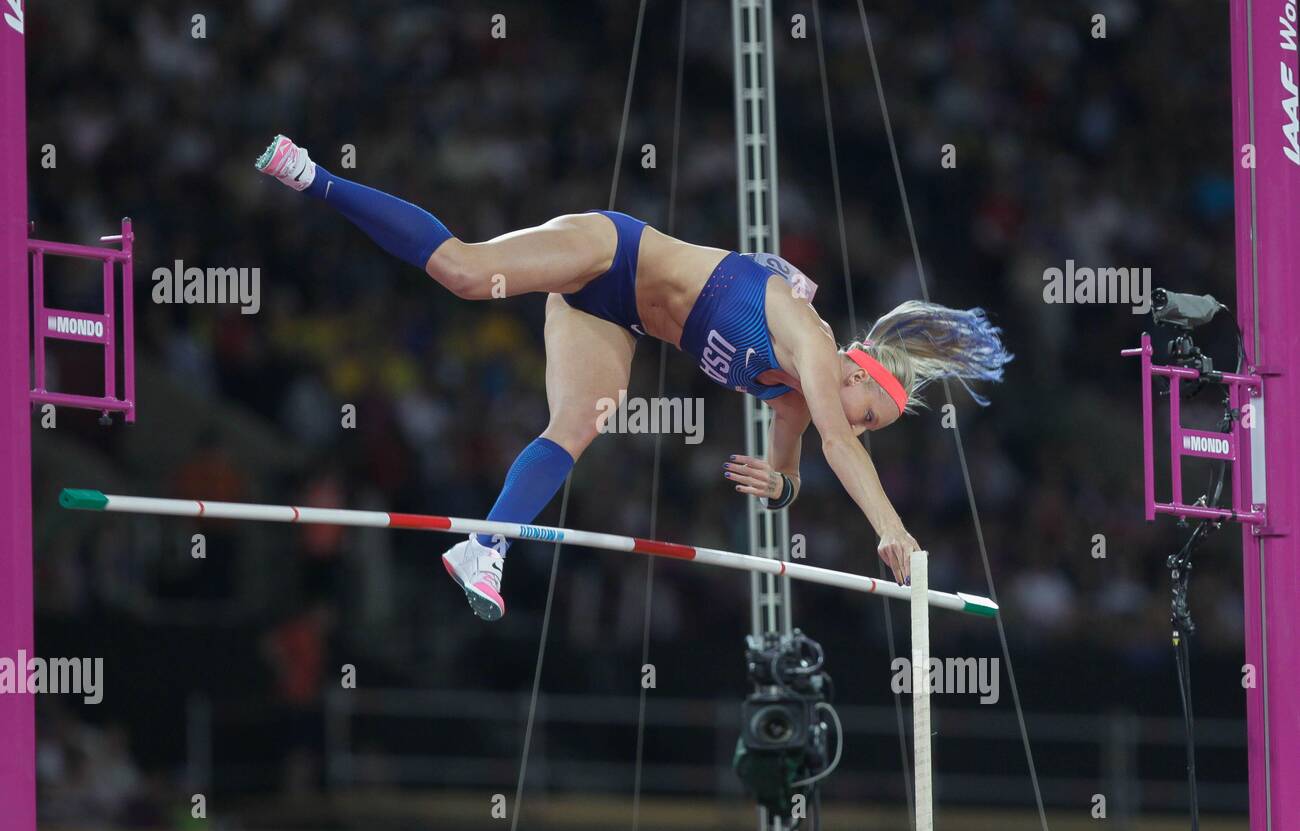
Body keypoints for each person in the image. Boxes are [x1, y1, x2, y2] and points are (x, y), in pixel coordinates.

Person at [256, 135, 1012, 621]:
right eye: (869, 417)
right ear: (856, 371)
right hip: (611, 249)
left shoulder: (794, 401)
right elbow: (845, 450)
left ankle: (485, 545)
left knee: (578, 425)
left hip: (616, 319)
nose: (857, 431)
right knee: (462, 271)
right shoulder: (808, 340)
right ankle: (313, 175)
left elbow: (790, 479)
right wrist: (893, 529)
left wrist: (778, 488)